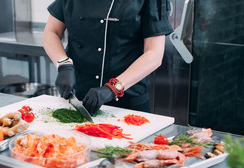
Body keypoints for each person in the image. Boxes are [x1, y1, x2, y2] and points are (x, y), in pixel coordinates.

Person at [42, 0, 173, 115]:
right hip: (80, 100)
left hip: (127, 105)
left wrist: (113, 88)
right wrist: (63, 64)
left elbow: (154, 54)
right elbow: (51, 31)